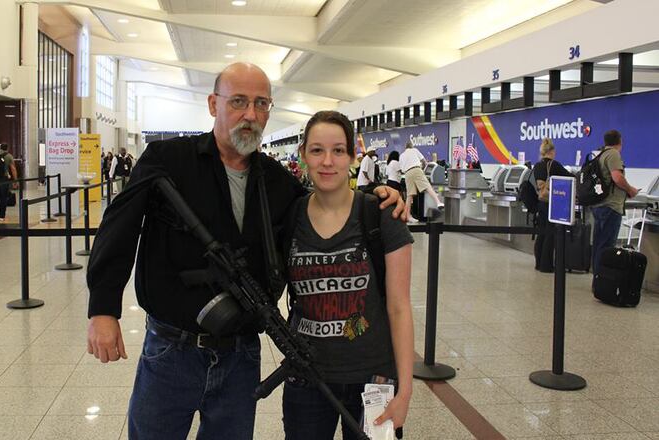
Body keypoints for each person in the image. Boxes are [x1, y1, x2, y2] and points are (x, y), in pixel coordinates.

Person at [85, 62, 406, 440]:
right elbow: (118, 229)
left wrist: (375, 196)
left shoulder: (278, 182)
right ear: (212, 104)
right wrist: (103, 309)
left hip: (240, 355)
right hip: (173, 349)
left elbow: (324, 207)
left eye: (261, 104)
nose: (250, 114)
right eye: (238, 101)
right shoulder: (167, 160)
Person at [283, 111, 414, 439]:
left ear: (353, 157)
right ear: (303, 155)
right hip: (306, 379)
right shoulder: (288, 216)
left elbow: (399, 307)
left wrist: (405, 391)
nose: (328, 161)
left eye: (338, 150)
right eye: (317, 150)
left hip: (375, 378)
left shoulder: (381, 214)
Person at [591, 129, 640, 273]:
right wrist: (630, 190)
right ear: (620, 141)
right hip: (611, 206)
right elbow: (617, 177)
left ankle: (598, 278)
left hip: (599, 205)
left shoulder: (600, 154)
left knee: (599, 244)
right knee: (607, 245)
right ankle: (603, 280)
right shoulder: (613, 154)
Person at [533, 138, 574, 272]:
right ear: (552, 151)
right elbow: (570, 177)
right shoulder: (554, 165)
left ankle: (538, 263)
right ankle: (547, 265)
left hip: (540, 201)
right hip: (551, 203)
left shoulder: (537, 165)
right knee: (550, 234)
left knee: (542, 232)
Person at [400, 142, 444, 223]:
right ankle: (438, 202)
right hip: (416, 169)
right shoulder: (414, 150)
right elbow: (424, 162)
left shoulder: (402, 155)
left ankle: (408, 216)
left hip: (407, 173)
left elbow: (402, 169)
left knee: (410, 195)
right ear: (411, 146)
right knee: (427, 187)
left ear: (405, 147)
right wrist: (423, 167)